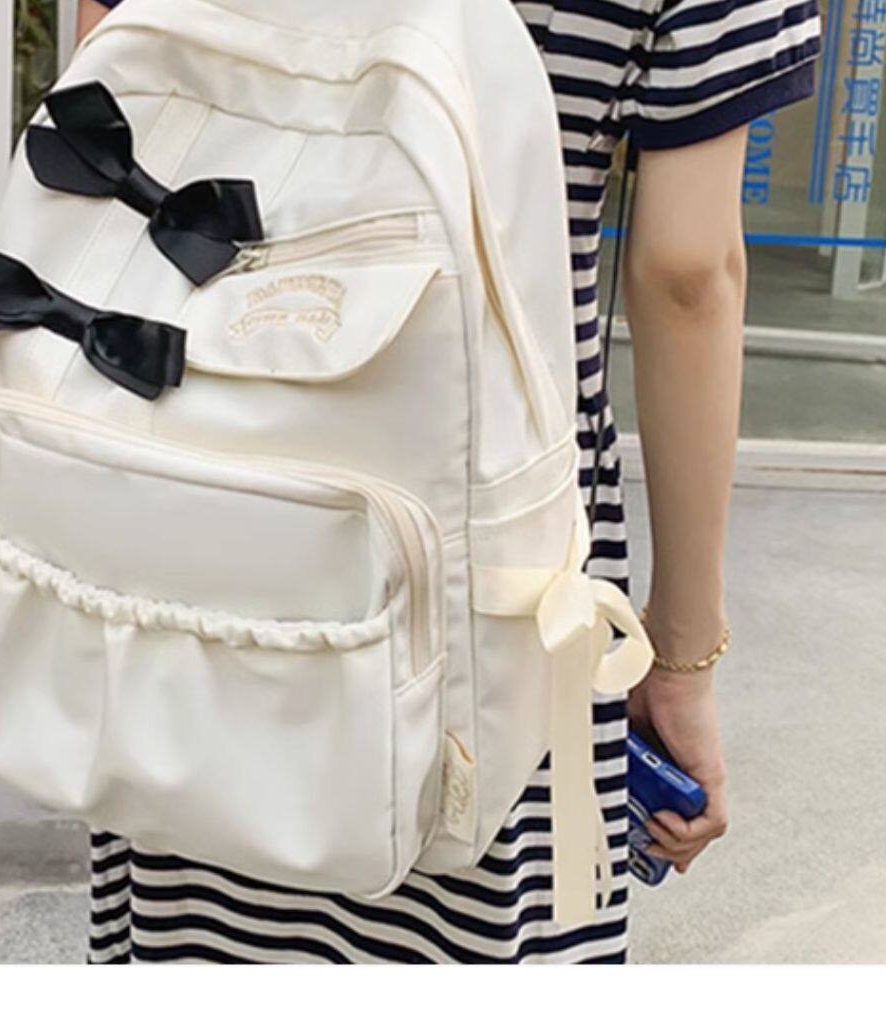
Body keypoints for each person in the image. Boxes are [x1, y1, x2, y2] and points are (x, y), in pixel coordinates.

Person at [74, 0, 820, 964]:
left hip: (206, 480)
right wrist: (681, 659)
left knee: (196, 884)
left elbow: (109, 107)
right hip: (489, 541)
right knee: (474, 874)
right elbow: (688, 272)